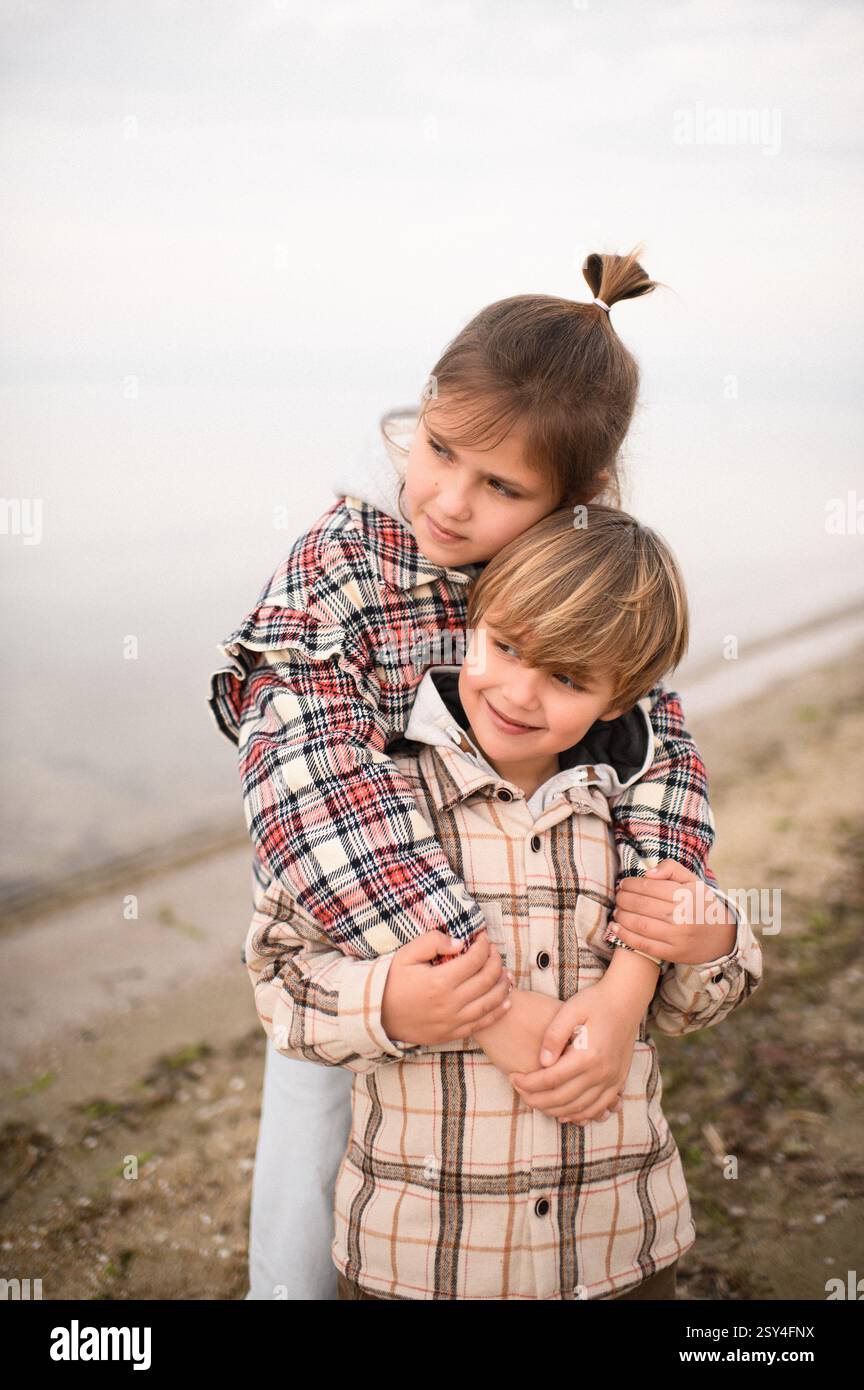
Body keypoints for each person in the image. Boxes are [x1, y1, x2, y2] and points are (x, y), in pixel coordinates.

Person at [208, 250, 727, 1299]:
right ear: (425, 408)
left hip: (558, 941)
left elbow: (658, 750)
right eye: (440, 450)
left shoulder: (573, 569)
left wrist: (631, 981)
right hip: (365, 937)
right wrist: (485, 1003)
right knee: (313, 1164)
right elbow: (310, 794)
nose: (447, 500)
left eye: (502, 487)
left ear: (575, 495)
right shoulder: (341, 568)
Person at [244, 504, 763, 1300]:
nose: (519, 692)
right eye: (507, 647)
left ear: (622, 699)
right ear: (468, 624)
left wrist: (712, 941)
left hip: (617, 1249)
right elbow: (281, 982)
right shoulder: (382, 806)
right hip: (417, 1261)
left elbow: (695, 1001)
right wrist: (387, 1002)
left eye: (567, 678)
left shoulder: (628, 817)